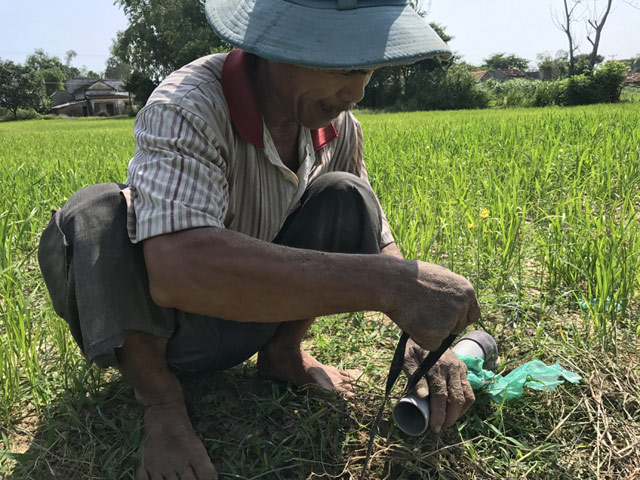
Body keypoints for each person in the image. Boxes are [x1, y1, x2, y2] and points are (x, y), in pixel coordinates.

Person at [38, 1, 481, 479]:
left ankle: (282, 354)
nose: (357, 91)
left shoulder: (336, 125)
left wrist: (417, 330)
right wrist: (392, 285)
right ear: (281, 48)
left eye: (368, 69)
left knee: (346, 193)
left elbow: (374, 232)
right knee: (95, 210)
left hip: (256, 315)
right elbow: (176, 270)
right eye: (347, 66)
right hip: (169, 331)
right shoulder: (187, 105)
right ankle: (161, 403)